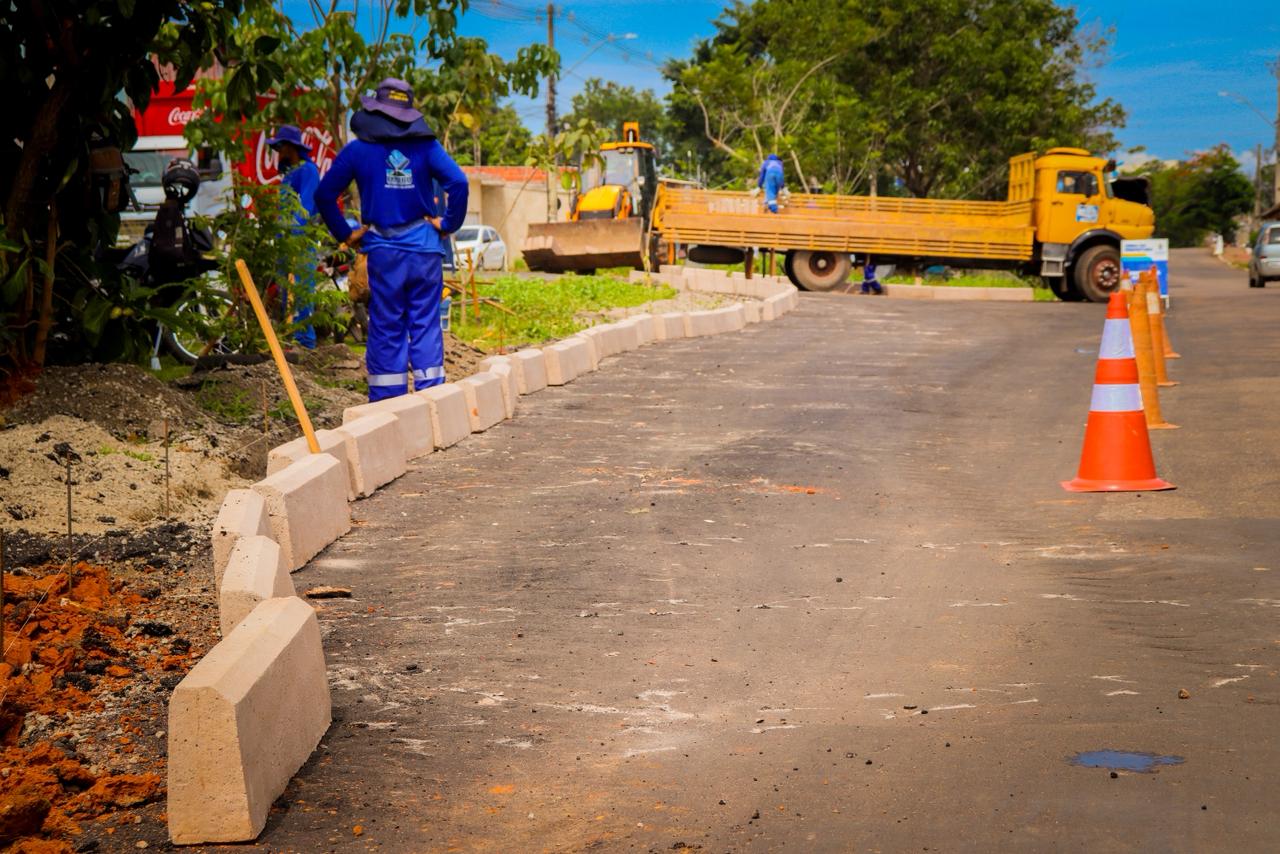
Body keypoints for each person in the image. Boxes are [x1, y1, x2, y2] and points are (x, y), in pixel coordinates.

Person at [315, 78, 468, 401]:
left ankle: (388, 404)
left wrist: (346, 233)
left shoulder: (358, 150)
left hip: (384, 253)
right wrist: (448, 223)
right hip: (425, 250)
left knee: (387, 325)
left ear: (376, 110)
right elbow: (459, 182)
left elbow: (325, 194)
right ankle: (432, 401)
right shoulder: (426, 146)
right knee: (426, 324)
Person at [267, 125, 321, 348]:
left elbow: (307, 208)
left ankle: (304, 341)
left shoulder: (308, 171)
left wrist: (295, 237)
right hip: (284, 241)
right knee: (284, 292)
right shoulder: (290, 174)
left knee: (301, 291)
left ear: (292, 147)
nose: (278, 151)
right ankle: (290, 337)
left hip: (299, 243)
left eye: (281, 147)